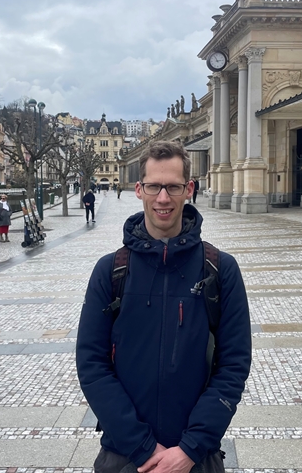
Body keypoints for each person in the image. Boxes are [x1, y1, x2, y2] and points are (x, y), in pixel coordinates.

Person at [76, 140, 251, 473]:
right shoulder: (110, 270)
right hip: (124, 456)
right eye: (154, 186)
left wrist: (189, 449)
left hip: (196, 458)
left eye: (173, 187)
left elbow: (233, 366)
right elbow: (91, 365)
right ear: (139, 189)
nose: (163, 198)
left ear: (189, 189)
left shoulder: (220, 269)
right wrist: (142, 447)